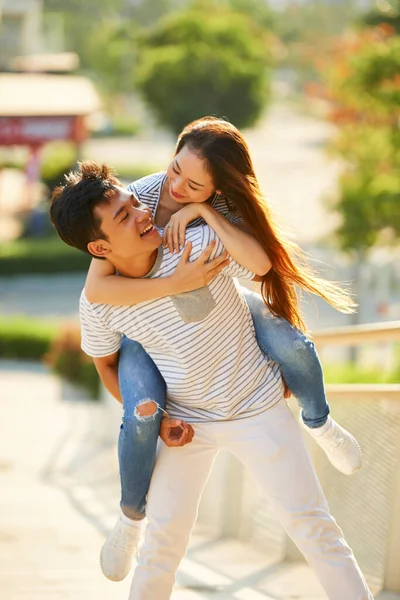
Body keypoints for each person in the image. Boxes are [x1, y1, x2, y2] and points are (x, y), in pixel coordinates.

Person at [50, 161, 373, 600]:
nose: (143, 213)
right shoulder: (102, 303)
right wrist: (161, 424)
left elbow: (261, 268)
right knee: (161, 549)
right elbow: (106, 365)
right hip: (188, 425)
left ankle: (322, 422)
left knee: (314, 527)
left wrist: (208, 215)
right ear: (100, 248)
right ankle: (129, 518)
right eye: (125, 217)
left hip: (256, 405)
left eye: (134, 203)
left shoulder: (195, 240)